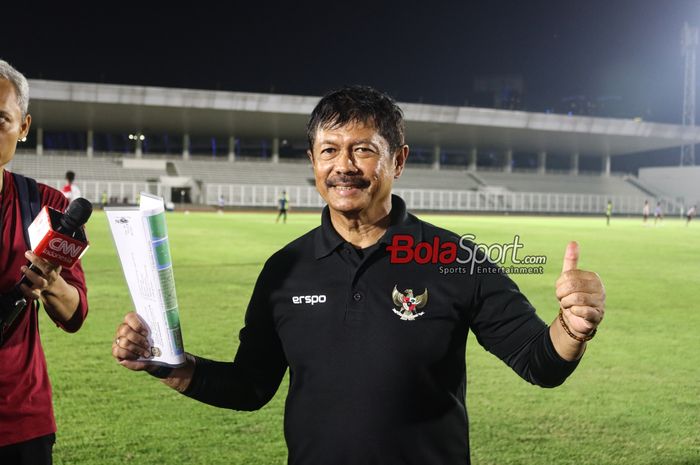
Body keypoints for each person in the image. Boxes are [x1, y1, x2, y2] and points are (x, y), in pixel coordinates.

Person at [113, 86, 605, 464]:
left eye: (363, 150)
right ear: (312, 161)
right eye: (329, 150)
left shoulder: (455, 258)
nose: (343, 166)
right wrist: (168, 365)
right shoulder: (284, 270)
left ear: (399, 160)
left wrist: (572, 327)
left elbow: (539, 362)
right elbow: (252, 385)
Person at [0, 60, 89, 464]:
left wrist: (51, 282)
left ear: (23, 126)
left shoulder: (46, 207)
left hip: (21, 422)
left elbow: (75, 314)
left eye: (1, 118)